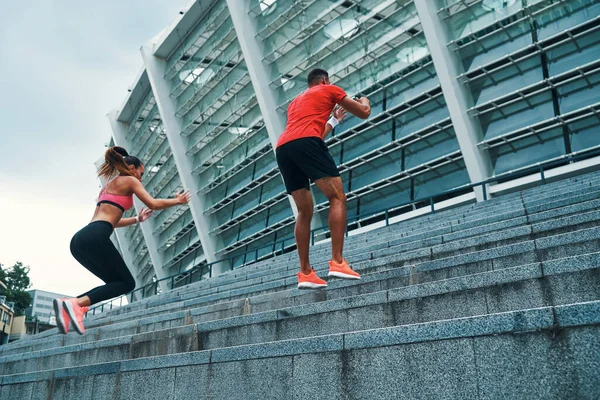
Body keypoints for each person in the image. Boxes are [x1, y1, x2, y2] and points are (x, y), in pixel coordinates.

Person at [53, 146, 191, 335]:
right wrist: (178, 201)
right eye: (141, 173)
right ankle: (74, 304)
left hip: (80, 239)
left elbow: (110, 220)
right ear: (133, 168)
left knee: (115, 282)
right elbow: (153, 203)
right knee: (127, 283)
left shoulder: (107, 186)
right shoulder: (130, 180)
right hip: (95, 235)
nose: (141, 178)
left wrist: (137, 219)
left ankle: (75, 306)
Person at [276, 68, 371, 289]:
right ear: (325, 80)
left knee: (304, 210)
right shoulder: (330, 89)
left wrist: (334, 122)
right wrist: (364, 100)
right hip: (306, 142)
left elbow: (310, 134)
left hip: (283, 148)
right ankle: (337, 262)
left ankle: (305, 272)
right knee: (337, 197)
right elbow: (364, 112)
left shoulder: (296, 102)